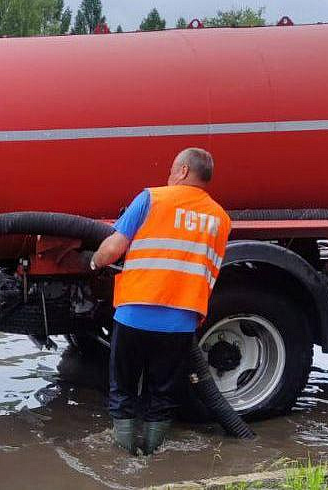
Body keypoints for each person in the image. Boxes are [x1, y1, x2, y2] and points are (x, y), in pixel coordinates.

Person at [89, 147, 230, 455]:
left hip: (134, 315)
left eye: (171, 169)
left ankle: (125, 459)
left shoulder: (153, 198)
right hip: (180, 321)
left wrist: (94, 262)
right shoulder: (221, 219)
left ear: (182, 171)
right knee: (162, 392)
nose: (168, 175)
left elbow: (113, 247)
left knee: (123, 389)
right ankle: (153, 460)